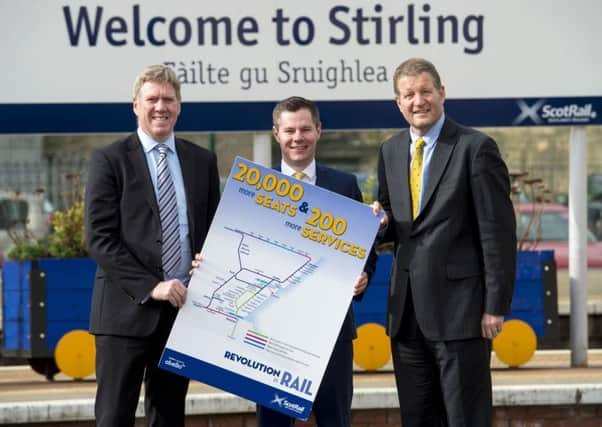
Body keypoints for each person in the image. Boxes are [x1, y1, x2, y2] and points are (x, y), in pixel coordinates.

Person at [373, 58, 516, 426]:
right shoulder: (389, 151)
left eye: (425, 91)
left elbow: (496, 233)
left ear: (442, 93)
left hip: (462, 315)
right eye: (408, 95)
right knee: (417, 418)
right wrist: (380, 221)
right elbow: (392, 222)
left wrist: (495, 306)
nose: (417, 101)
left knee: (465, 419)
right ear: (398, 103)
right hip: (405, 316)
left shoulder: (476, 148)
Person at [85, 64, 220, 427]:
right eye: (152, 99)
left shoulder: (202, 161)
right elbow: (99, 237)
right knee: (114, 417)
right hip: (123, 313)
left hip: (180, 315)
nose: (161, 107)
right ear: (135, 105)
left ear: (179, 106)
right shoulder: (109, 160)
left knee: (169, 417)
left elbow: (211, 233)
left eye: (169, 99)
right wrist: (151, 286)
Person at [255, 96, 378, 426]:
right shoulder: (254, 190)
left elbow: (366, 251)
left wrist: (363, 275)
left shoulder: (344, 185)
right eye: (290, 130)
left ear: (319, 131)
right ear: (276, 133)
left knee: (335, 420)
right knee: (274, 423)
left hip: (332, 333)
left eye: (306, 129)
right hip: (272, 332)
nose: (298, 137)